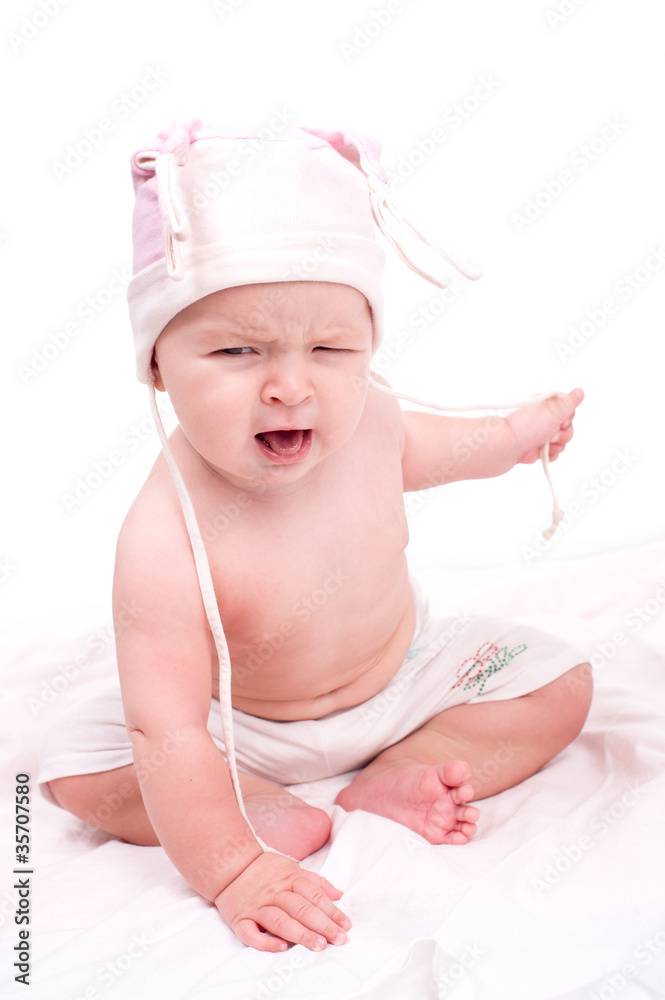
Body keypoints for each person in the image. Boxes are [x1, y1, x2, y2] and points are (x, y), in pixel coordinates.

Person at [38, 118, 592, 955]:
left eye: (330, 348)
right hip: (240, 726)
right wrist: (232, 869)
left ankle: (403, 769)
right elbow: (171, 729)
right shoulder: (163, 538)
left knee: (557, 681)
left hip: (403, 681)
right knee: (78, 765)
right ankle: (253, 805)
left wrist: (516, 438)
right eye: (237, 350)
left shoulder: (372, 423)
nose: (290, 387)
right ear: (157, 364)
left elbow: (447, 448)